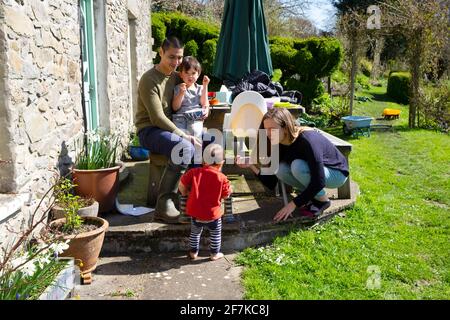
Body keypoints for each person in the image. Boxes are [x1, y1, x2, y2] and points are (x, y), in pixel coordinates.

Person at [236, 107, 349, 222]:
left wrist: (293, 204)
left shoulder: (308, 140)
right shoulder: (278, 142)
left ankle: (322, 201)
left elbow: (319, 182)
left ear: (285, 128)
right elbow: (271, 182)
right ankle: (313, 197)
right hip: (315, 174)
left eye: (272, 129)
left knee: (297, 166)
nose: (268, 134)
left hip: (337, 173)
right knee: (280, 169)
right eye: (266, 129)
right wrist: (251, 166)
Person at [135, 36, 201, 224]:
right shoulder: (149, 80)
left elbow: (192, 95)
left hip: (173, 127)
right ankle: (164, 205)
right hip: (149, 130)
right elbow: (157, 118)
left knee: (210, 144)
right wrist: (183, 135)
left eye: (179, 58)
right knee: (184, 148)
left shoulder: (175, 76)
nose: (176, 62)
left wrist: (203, 109)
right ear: (161, 53)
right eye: (172, 57)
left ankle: (199, 196)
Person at [178, 144, 232, 261]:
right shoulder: (223, 178)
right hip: (213, 215)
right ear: (222, 163)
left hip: (196, 214)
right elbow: (227, 194)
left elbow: (181, 185)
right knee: (216, 234)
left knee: (195, 233)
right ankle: (214, 254)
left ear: (203, 161)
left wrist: (186, 193)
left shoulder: (193, 172)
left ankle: (193, 252)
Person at [172, 56, 210, 140]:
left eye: (193, 73)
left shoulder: (200, 88)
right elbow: (175, 107)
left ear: (198, 74)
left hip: (195, 117)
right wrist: (181, 93)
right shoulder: (179, 88)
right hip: (180, 118)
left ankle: (196, 150)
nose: (190, 76)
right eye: (187, 73)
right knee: (179, 136)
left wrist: (205, 85)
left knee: (194, 131)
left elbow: (204, 103)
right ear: (181, 74)